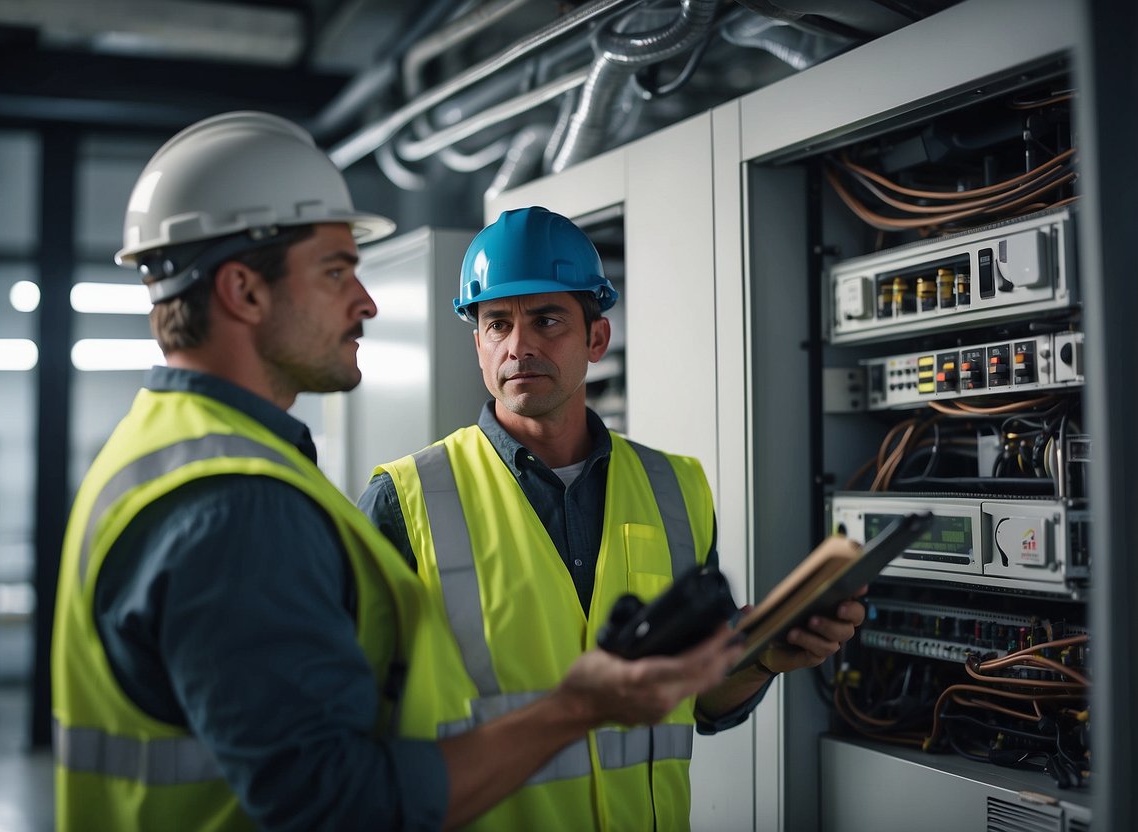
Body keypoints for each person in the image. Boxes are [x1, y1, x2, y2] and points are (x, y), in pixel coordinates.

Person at [50, 115, 745, 831]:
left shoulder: (174, 455)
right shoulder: (238, 504)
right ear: (244, 292)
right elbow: (337, 804)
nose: (367, 301)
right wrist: (579, 707)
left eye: (546, 320)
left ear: (594, 336)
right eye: (335, 271)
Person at [359, 206, 868, 830]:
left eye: (547, 319)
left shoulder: (676, 487)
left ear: (596, 338)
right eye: (497, 324)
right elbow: (355, 743)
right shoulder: (404, 500)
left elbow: (698, 701)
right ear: (479, 346)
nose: (519, 346)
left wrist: (762, 658)